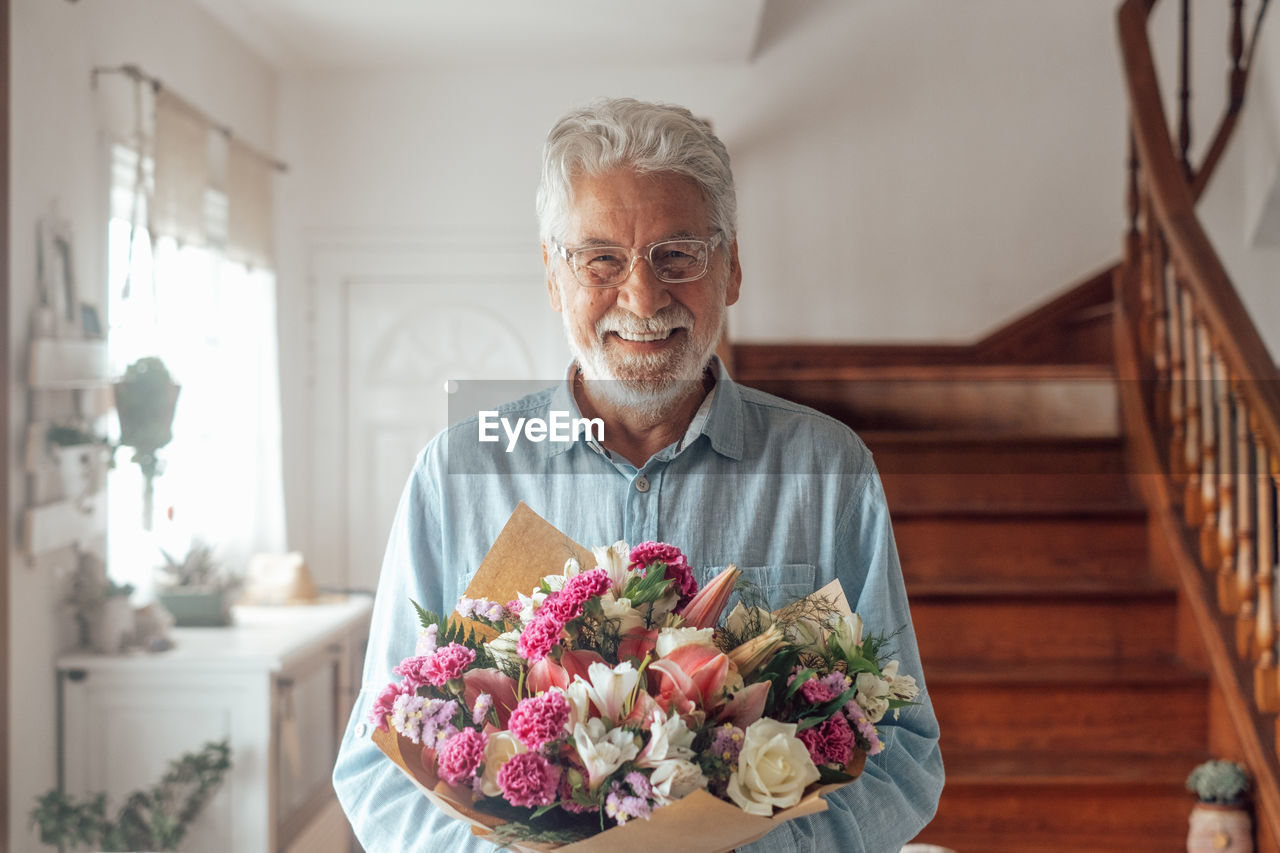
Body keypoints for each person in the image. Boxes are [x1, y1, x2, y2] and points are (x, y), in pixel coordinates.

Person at [333, 97, 944, 852]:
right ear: (554, 279)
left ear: (732, 268)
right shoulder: (456, 472)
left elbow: (904, 752)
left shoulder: (828, 468)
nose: (644, 296)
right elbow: (381, 762)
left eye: (678, 253)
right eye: (601, 259)